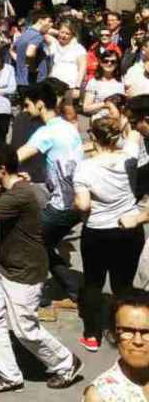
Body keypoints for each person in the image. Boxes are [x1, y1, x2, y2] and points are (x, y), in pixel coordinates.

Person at [0, 145, 83, 393]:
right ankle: (8, 375)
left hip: (24, 272)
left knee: (25, 329)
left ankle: (66, 362)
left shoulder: (20, 195)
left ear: (2, 169)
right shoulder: (9, 188)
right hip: (4, 268)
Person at [74, 117, 144, 352]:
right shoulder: (130, 158)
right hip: (129, 229)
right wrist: (124, 120)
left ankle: (92, 335)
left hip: (97, 231)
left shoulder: (85, 166)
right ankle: (122, 329)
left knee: (94, 283)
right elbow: (133, 134)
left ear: (92, 137)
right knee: (123, 284)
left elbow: (83, 205)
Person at [16, 82, 85, 314]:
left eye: (27, 105)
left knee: (30, 241)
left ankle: (37, 295)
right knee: (43, 243)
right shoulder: (68, 127)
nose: (25, 110)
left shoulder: (47, 131)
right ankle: (72, 288)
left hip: (63, 205)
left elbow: (19, 154)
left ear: (40, 104)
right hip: (75, 201)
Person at [83, 290, 149, 401]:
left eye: (147, 332)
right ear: (113, 335)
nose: (138, 341)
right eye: (127, 331)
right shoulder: (101, 396)